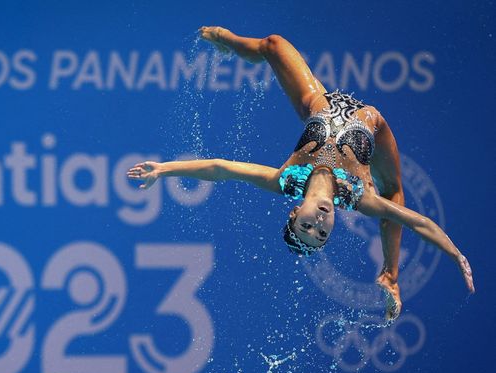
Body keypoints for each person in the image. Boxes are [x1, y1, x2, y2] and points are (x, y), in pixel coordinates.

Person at [127, 26, 474, 320]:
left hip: (318, 102)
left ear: (295, 211)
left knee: (273, 44)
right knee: (394, 196)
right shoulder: (355, 196)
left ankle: (232, 45)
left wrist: (164, 169)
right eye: (321, 234)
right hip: (375, 128)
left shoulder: (285, 179)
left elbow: (222, 169)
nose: (318, 224)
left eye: (306, 225)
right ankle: (391, 274)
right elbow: (420, 222)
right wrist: (455, 253)